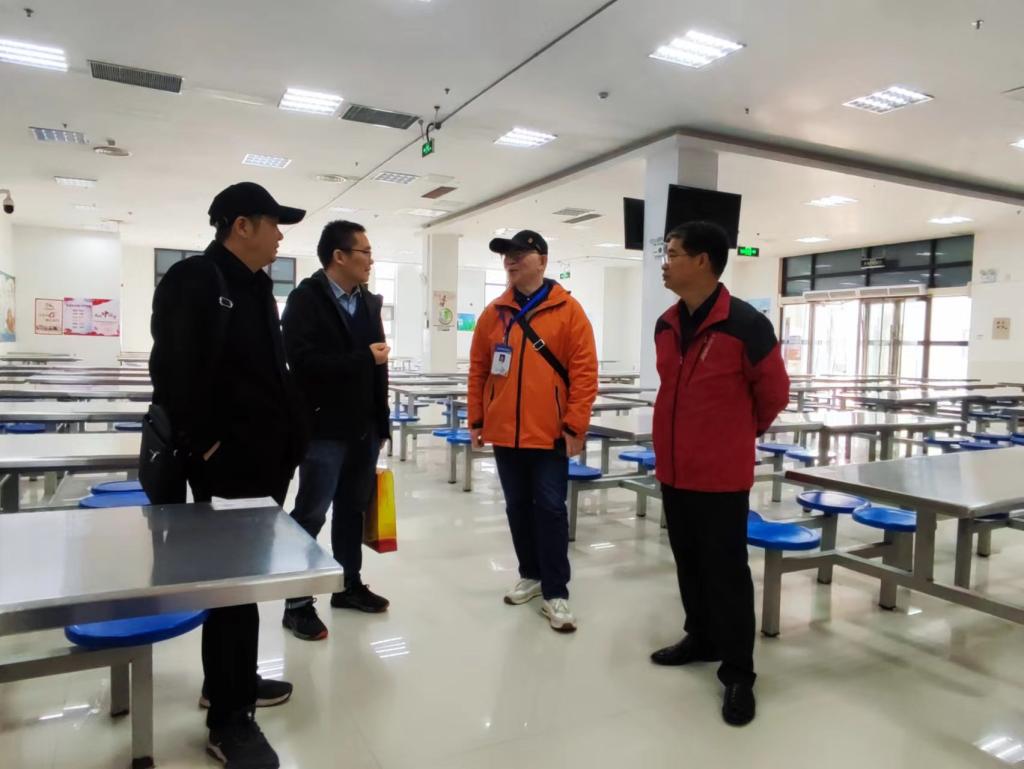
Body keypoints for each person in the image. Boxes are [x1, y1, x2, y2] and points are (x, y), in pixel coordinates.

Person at [149, 181, 308, 769]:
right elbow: (171, 372)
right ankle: (229, 720)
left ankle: (230, 682)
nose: (281, 234)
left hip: (263, 464)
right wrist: (209, 447)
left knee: (243, 586)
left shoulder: (256, 285)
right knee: (234, 588)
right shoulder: (197, 279)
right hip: (231, 467)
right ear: (242, 225)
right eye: (274, 222)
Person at [649, 220, 790, 727]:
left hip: (720, 475)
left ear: (702, 260)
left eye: (672, 253)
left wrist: (734, 434)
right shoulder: (666, 324)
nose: (665, 262)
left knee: (726, 572)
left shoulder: (746, 325)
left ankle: (738, 672)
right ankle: (701, 637)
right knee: (688, 561)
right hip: (674, 469)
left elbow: (774, 394)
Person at [468, 229, 598, 632]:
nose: (510, 260)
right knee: (517, 507)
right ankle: (531, 574)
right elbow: (479, 370)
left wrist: (575, 424)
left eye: (519, 254)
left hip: (549, 432)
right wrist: (477, 419)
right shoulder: (494, 313)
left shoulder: (569, 311)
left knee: (551, 509)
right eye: (506, 255)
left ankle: (556, 591)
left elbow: (584, 373)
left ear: (541, 260)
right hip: (505, 432)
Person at [280, 220, 392, 640]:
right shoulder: (305, 300)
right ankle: (297, 603)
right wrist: (363, 359)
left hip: (363, 428)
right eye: (364, 252)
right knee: (311, 512)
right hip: (323, 429)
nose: (370, 260)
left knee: (352, 509)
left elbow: (380, 369)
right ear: (339, 256)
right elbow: (302, 364)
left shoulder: (368, 302)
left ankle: (348, 585)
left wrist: (382, 421)